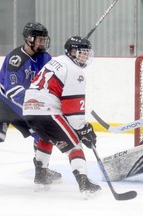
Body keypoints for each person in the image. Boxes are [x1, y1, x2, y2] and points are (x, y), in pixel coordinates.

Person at [0, 22, 61, 192]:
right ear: (29, 39)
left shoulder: (45, 58)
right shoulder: (16, 59)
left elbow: (52, 77)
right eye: (39, 40)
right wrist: (35, 105)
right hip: (2, 101)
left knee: (42, 135)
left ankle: (41, 171)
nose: (42, 43)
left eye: (44, 39)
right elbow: (12, 91)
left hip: (25, 105)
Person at [22, 36, 101, 198]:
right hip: (47, 110)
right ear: (71, 52)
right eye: (81, 53)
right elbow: (72, 109)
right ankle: (84, 182)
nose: (84, 57)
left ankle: (41, 175)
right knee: (75, 144)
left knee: (46, 137)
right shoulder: (75, 71)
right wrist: (83, 129)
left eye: (86, 53)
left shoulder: (56, 61)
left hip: (29, 108)